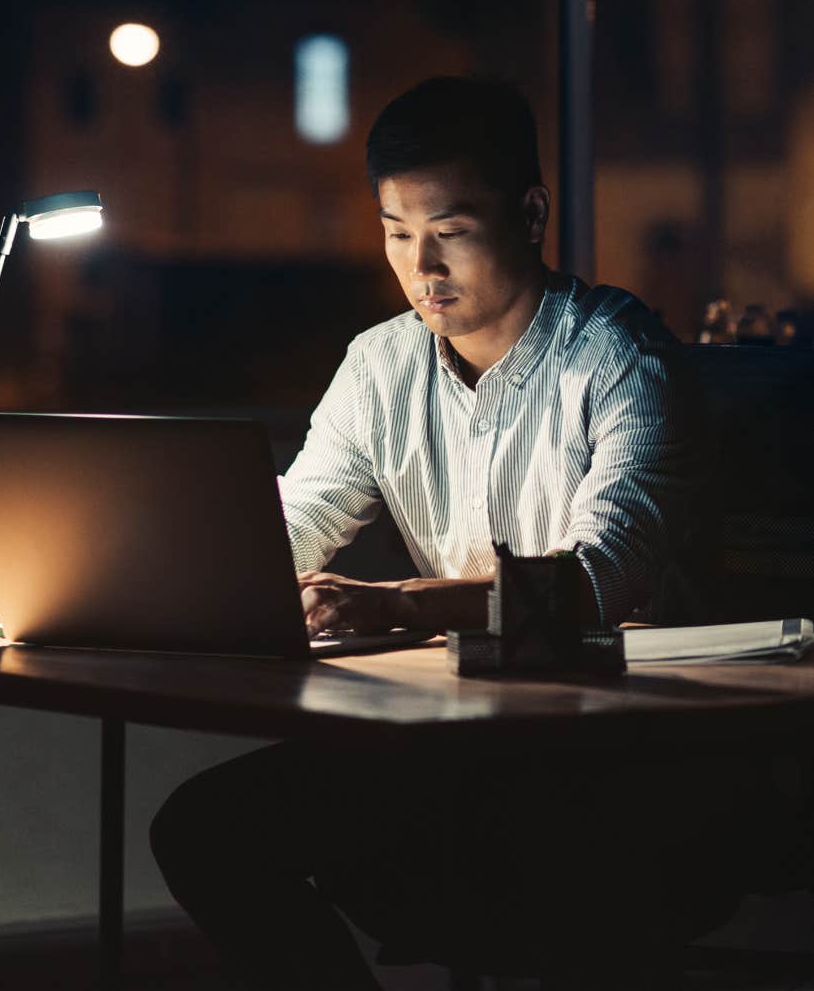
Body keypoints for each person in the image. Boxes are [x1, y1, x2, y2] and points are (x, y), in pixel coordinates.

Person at [150, 78, 733, 991]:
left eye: (450, 232)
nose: (422, 267)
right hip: (463, 737)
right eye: (395, 232)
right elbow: (304, 513)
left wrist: (400, 603)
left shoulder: (619, 355)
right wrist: (165, 571)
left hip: (626, 755)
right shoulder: (380, 363)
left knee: (469, 850)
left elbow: (596, 581)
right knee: (201, 828)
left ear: (531, 213)